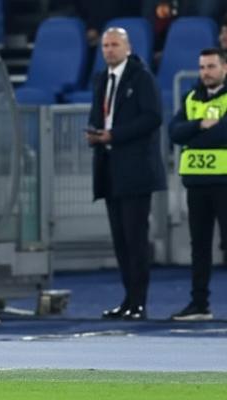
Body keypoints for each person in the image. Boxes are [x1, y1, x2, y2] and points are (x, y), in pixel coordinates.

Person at [86, 27, 166, 320]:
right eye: (105, 45)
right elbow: (99, 114)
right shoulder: (101, 78)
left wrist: (114, 135)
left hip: (136, 171)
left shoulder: (141, 77)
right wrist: (95, 133)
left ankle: (139, 302)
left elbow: (153, 117)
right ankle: (128, 299)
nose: (109, 50)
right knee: (120, 240)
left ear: (127, 48)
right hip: (109, 170)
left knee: (135, 239)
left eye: (114, 45)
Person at [168, 48, 227, 321]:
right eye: (202, 67)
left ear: (224, 68)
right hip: (197, 183)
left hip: (224, 181)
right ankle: (199, 304)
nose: (206, 72)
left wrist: (193, 134)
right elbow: (174, 132)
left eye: (211, 66)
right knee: (199, 246)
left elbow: (222, 133)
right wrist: (201, 125)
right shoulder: (191, 97)